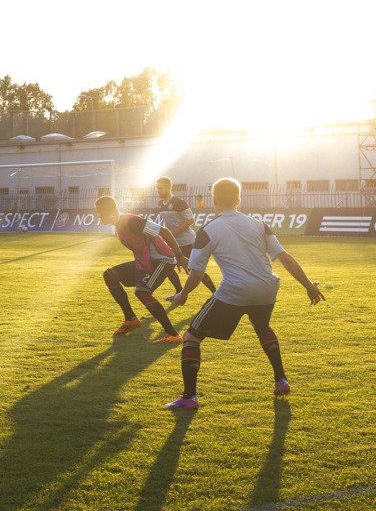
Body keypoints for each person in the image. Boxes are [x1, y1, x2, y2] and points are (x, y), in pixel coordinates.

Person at [165, 178, 325, 410]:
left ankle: (189, 398)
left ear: (214, 201)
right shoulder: (260, 225)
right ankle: (281, 380)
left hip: (235, 291)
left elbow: (197, 273)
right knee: (263, 329)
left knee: (191, 337)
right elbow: (285, 257)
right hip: (267, 290)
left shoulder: (207, 230)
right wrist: (308, 285)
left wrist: (183, 294)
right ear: (239, 200)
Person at [93, 195, 186, 343]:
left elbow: (164, 231)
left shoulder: (132, 221)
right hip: (146, 262)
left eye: (99, 212)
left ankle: (173, 334)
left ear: (109, 211)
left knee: (142, 292)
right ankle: (131, 319)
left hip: (163, 260)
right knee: (110, 275)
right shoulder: (118, 226)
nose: (98, 216)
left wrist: (180, 256)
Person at [155, 176, 217, 297]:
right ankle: (178, 292)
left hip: (187, 242)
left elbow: (190, 220)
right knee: (166, 266)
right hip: (173, 242)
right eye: (157, 188)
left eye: (160, 188)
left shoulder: (179, 202)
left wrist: (174, 232)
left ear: (168, 187)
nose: (158, 191)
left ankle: (215, 294)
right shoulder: (160, 204)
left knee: (194, 271)